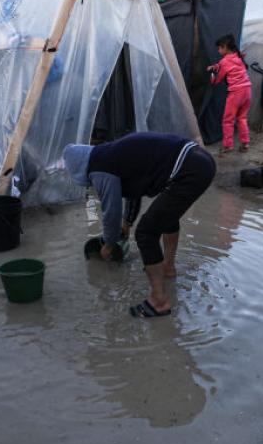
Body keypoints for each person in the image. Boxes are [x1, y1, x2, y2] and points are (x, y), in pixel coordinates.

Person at [63, 132, 216, 318]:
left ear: (79, 170)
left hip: (189, 170)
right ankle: (168, 268)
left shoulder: (99, 169)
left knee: (145, 232)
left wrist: (109, 244)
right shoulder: (109, 154)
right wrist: (127, 223)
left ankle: (159, 301)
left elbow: (111, 212)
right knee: (167, 216)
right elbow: (134, 191)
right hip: (201, 160)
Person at [207, 34, 251, 154]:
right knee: (242, 118)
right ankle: (245, 143)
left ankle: (228, 146)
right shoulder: (238, 56)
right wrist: (215, 67)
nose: (218, 50)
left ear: (225, 47)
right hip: (247, 90)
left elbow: (218, 79)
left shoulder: (225, 61)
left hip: (236, 93)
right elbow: (223, 65)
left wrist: (212, 75)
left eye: (219, 48)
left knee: (228, 120)